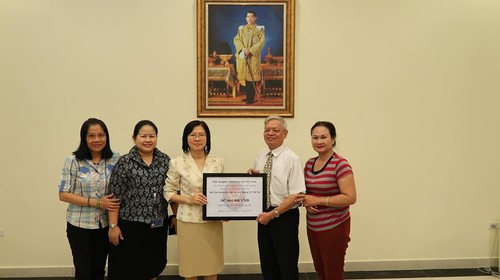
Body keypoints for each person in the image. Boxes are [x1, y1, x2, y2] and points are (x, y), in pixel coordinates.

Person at [107, 120, 172, 280]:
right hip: (130, 225)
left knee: (153, 266)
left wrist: (175, 216)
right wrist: (113, 226)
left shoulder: (165, 161)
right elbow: (114, 197)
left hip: (157, 224)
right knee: (130, 268)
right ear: (134, 138)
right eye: (143, 136)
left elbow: (172, 191)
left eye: (152, 136)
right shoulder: (125, 162)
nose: (148, 140)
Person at [58, 118, 121, 280]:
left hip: (104, 224)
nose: (97, 140)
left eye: (101, 135)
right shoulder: (72, 161)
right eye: (91, 136)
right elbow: (63, 194)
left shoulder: (115, 159)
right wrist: (97, 202)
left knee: (99, 270)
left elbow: (118, 192)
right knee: (84, 271)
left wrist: (114, 224)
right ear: (84, 138)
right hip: (79, 225)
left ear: (107, 137)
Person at [164, 120, 224, 280]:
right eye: (193, 135)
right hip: (188, 221)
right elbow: (168, 192)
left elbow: (222, 189)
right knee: (190, 268)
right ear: (186, 138)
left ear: (207, 138)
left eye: (201, 135)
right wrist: (189, 199)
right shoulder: (177, 163)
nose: (197, 138)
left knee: (211, 266)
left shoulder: (218, 162)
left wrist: (225, 210)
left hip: (212, 222)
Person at [296, 121, 357, 280]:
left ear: (333, 139)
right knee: (321, 270)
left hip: (334, 227)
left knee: (333, 273)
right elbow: (306, 194)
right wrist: (307, 204)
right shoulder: (309, 164)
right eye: (315, 137)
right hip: (313, 227)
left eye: (323, 137)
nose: (319, 141)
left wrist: (319, 200)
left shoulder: (340, 164)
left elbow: (350, 197)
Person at [247, 115, 305, 280]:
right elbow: (264, 185)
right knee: (267, 264)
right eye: (267, 130)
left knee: (286, 266)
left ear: (285, 133)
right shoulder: (260, 155)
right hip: (263, 215)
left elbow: (296, 196)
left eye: (275, 130)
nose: (270, 133)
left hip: (284, 217)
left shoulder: (292, 159)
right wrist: (252, 178)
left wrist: (273, 214)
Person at [234, 10, 266, 105]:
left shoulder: (259, 29)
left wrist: (250, 50)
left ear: (255, 18)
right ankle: (248, 97)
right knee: (246, 78)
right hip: (244, 56)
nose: (249, 18)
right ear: (246, 18)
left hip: (253, 58)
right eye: (248, 17)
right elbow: (236, 39)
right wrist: (243, 49)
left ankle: (251, 99)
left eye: (251, 17)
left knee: (251, 78)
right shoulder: (242, 29)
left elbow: (261, 42)